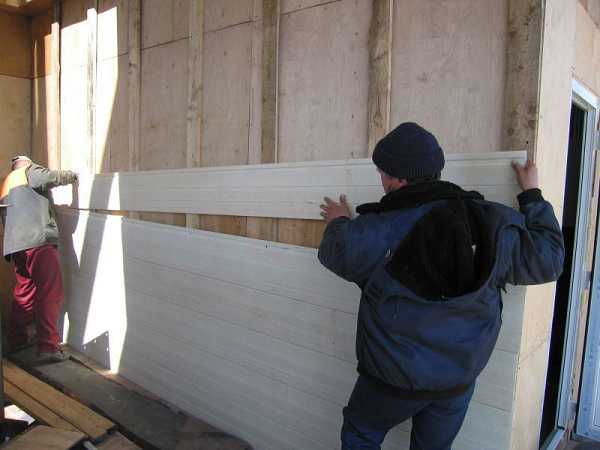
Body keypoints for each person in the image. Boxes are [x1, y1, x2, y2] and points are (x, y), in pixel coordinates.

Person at [318, 122, 564, 450]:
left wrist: (339, 221)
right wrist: (531, 194)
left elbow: (335, 251)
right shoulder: (489, 222)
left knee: (360, 435)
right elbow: (549, 259)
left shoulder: (379, 230)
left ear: (396, 179)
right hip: (456, 382)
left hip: (391, 381)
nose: (381, 178)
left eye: (382, 172)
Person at [0, 156, 78, 363]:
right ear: (26, 164)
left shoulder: (7, 182)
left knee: (24, 294)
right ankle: (48, 347)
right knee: (50, 292)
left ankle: (16, 340)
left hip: (16, 247)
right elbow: (48, 177)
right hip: (37, 242)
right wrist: (72, 176)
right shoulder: (28, 172)